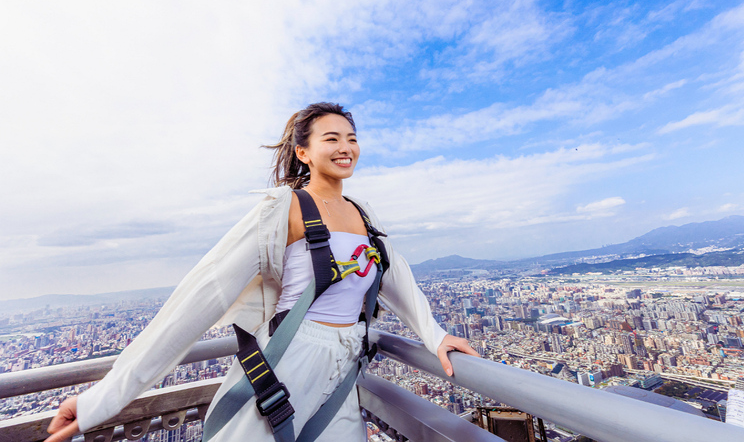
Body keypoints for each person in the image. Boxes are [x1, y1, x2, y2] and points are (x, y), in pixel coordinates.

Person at [45, 103, 479, 442]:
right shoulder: (280, 210)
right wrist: (99, 402)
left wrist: (436, 336)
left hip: (346, 368)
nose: (346, 146)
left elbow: (393, 274)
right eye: (332, 138)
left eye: (352, 138)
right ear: (303, 151)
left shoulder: (363, 215)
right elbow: (199, 299)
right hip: (285, 366)